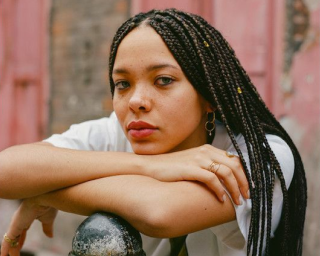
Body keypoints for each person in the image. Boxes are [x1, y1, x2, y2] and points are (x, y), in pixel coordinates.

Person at [0, 8, 306, 256]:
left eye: (163, 80)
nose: (136, 101)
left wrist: (47, 192)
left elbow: (159, 213)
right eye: (123, 84)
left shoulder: (261, 155)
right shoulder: (124, 132)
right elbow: (6, 170)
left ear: (209, 95)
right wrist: (149, 166)